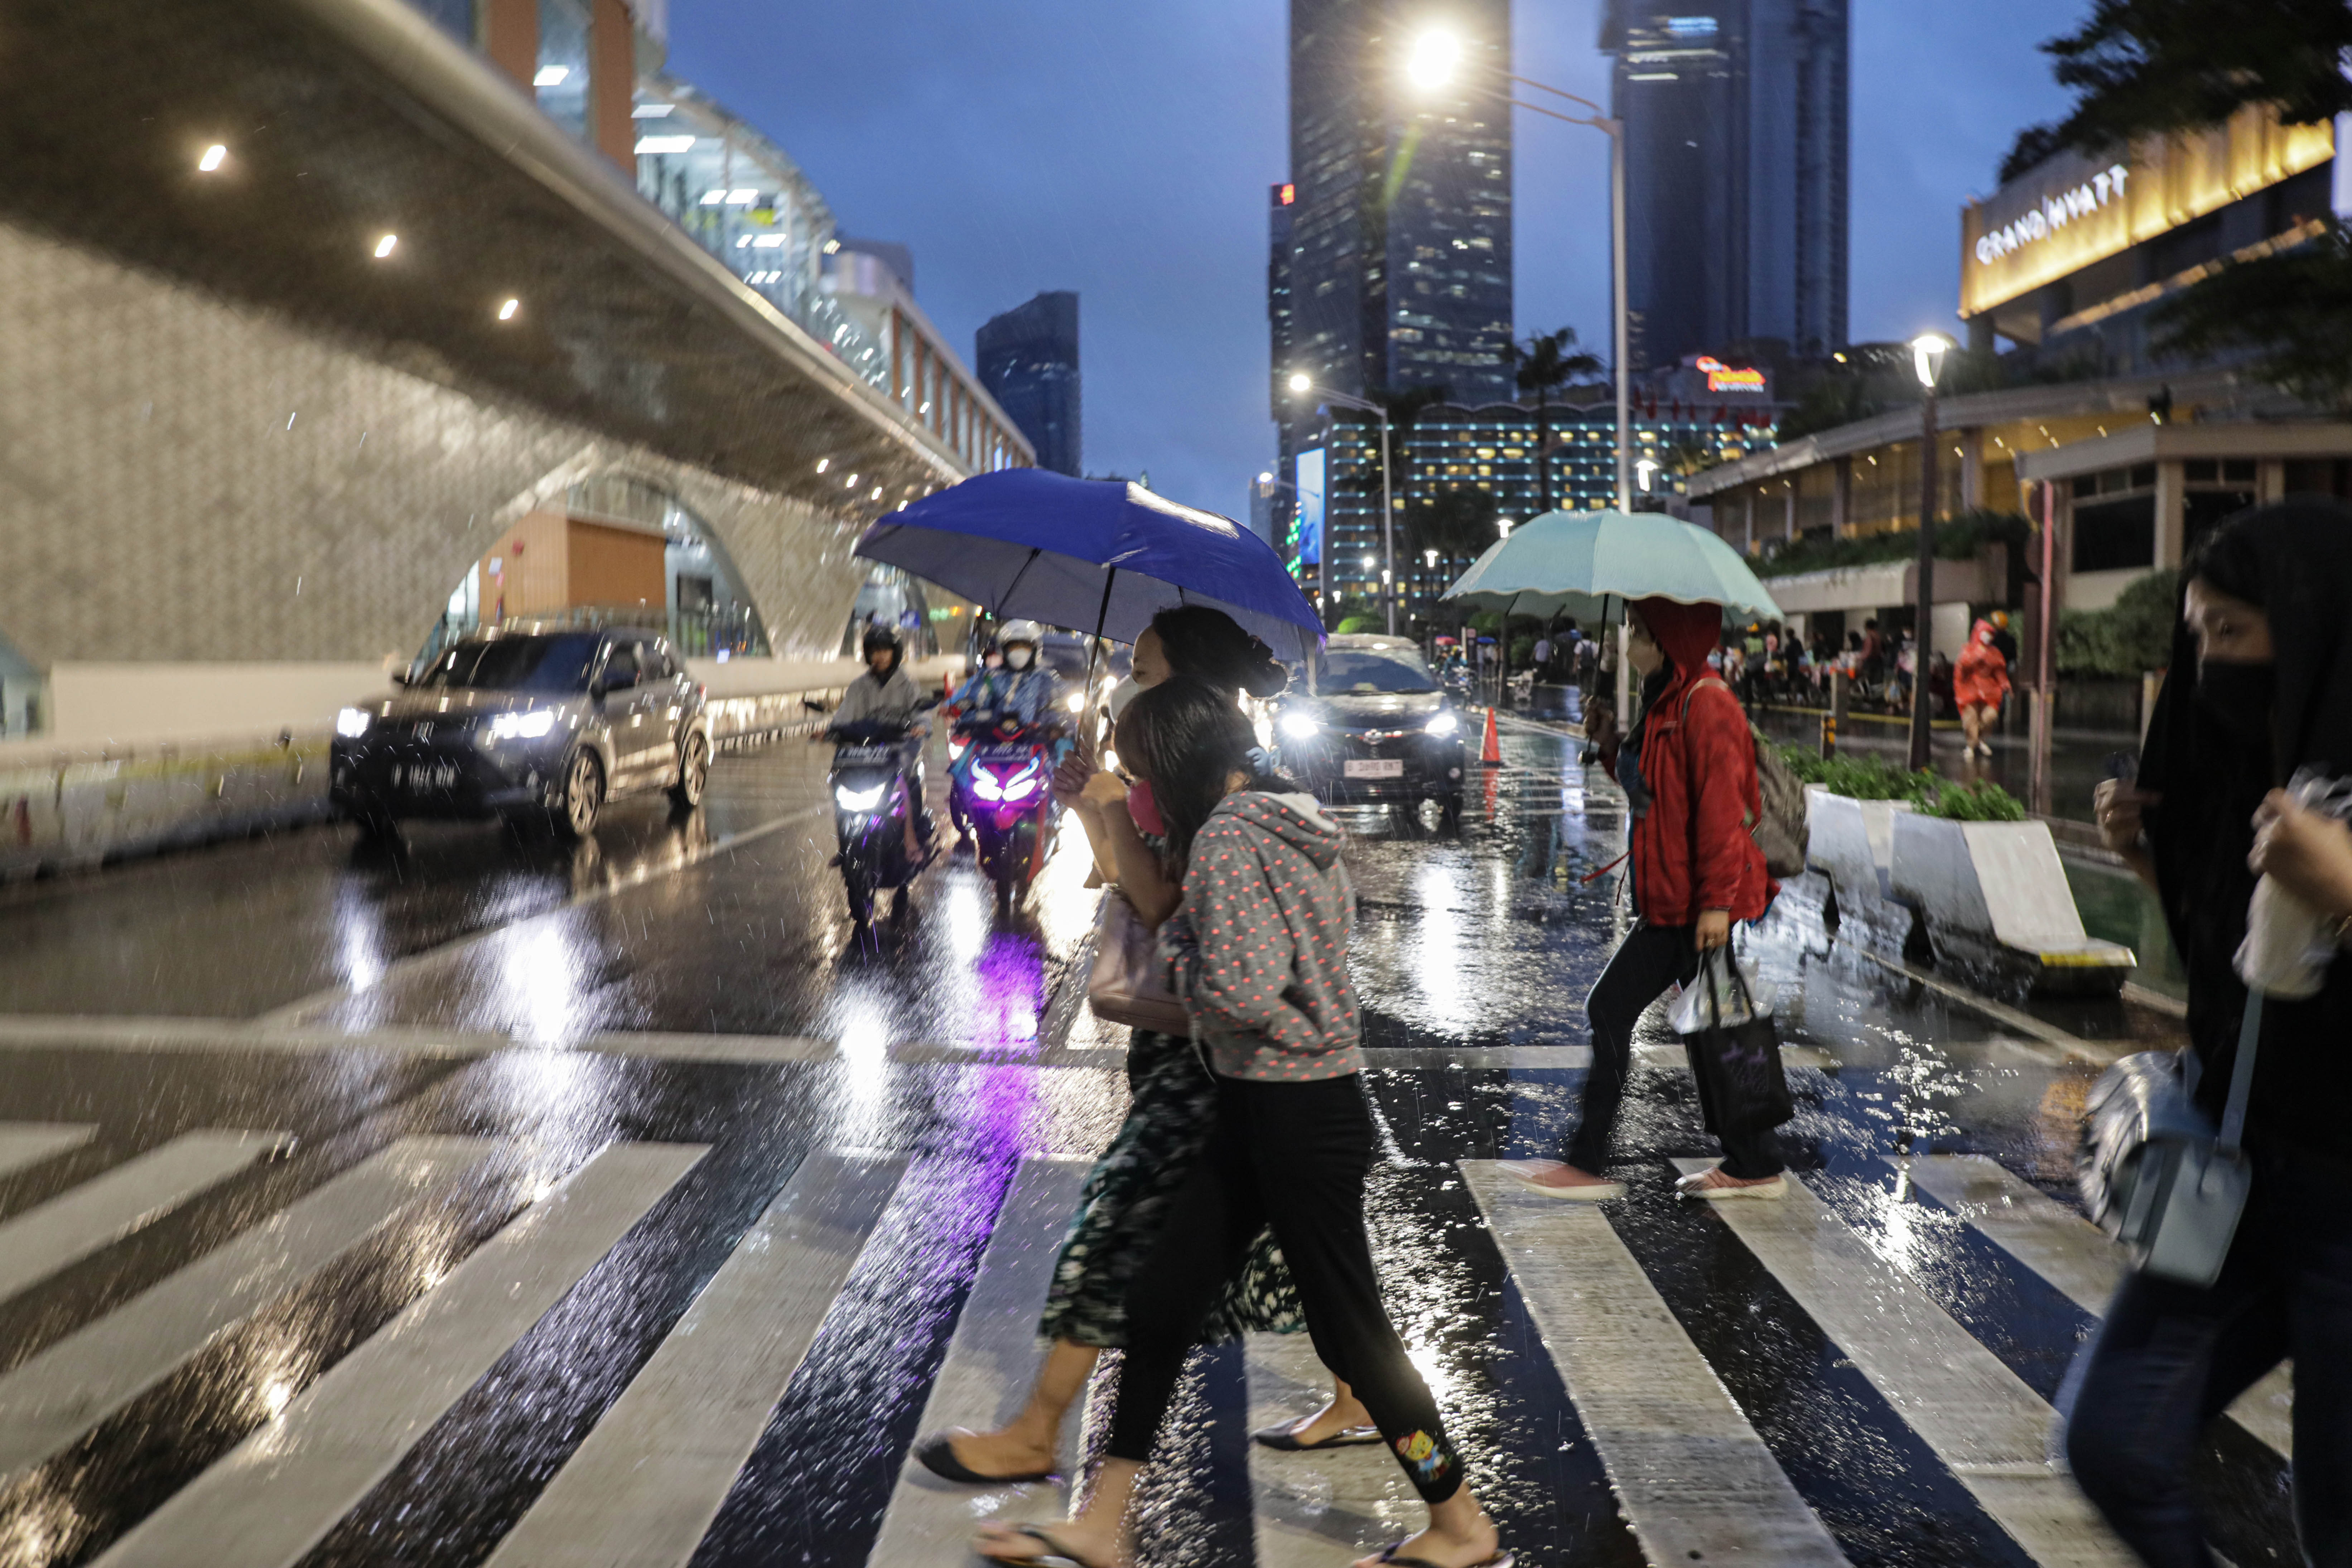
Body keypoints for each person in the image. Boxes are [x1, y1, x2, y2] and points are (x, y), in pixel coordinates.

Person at [980, 676, 1506, 1568]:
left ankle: (1460, 1520)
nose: (1139, 790)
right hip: (1267, 1105)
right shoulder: (1285, 817)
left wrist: (1178, 951)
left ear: (1181, 764)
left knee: (1355, 1339)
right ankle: (1102, 1523)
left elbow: (1247, 992)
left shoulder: (1226, 842)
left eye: (1143, 772)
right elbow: (1308, 948)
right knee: (1162, 1299)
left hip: (1298, 1116)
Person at [927, 607, 1377, 1496]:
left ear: (1185, 679)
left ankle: (1039, 1431)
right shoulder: (1183, 767)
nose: (1131, 677)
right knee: (1308, 1250)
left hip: (1214, 1054)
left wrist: (1107, 812)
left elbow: (1170, 905)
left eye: (1144, 666)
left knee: (1122, 1224)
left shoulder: (1222, 788)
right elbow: (1131, 883)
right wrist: (1094, 809)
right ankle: (1361, 1392)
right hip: (1214, 1048)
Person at [2076, 500, 2352, 1567]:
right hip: (2233, 1177)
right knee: (2111, 1440)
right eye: (2194, 637)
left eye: (2230, 633)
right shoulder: (2244, 779)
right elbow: (2227, 981)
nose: (2208, 665)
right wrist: (2155, 860)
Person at [1502, 597, 1785, 1202]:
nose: (1624, 641)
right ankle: (1754, 1159)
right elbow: (1654, 795)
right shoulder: (1668, 699)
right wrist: (1607, 743)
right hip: (1675, 899)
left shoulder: (1704, 703)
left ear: (1665, 639)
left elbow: (1720, 816)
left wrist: (1714, 902)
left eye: (1635, 630)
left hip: (1688, 905)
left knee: (1610, 1008)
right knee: (1717, 1025)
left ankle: (1587, 1160)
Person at [822, 624, 934, 863]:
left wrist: (921, 726)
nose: (880, 656)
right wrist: (830, 730)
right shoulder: (859, 686)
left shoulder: (907, 683)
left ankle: (911, 840)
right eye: (875, 651)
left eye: (885, 650)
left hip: (900, 745)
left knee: (907, 780)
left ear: (895, 652)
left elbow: (920, 712)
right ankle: (845, 842)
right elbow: (844, 715)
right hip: (867, 749)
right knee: (838, 779)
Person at [1953, 618, 2010, 760]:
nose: (1988, 637)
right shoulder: (1968, 649)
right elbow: (1963, 667)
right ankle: (1971, 746)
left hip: (1989, 689)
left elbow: (1999, 671)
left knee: (1990, 716)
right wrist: (1976, 657)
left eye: (1990, 634)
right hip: (1969, 689)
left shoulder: (1995, 652)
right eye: (1985, 633)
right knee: (1970, 718)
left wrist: (2005, 684)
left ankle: (1981, 739)